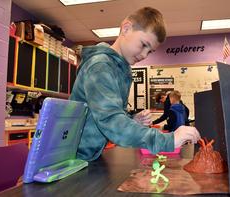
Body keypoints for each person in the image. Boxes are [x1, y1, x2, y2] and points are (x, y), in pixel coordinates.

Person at [69, 7, 201, 161]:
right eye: (144, 45)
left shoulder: (121, 69)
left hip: (92, 156)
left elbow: (110, 113)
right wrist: (168, 140)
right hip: (74, 158)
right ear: (126, 28)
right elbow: (111, 121)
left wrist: (132, 119)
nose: (144, 55)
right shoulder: (100, 66)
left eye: (150, 51)